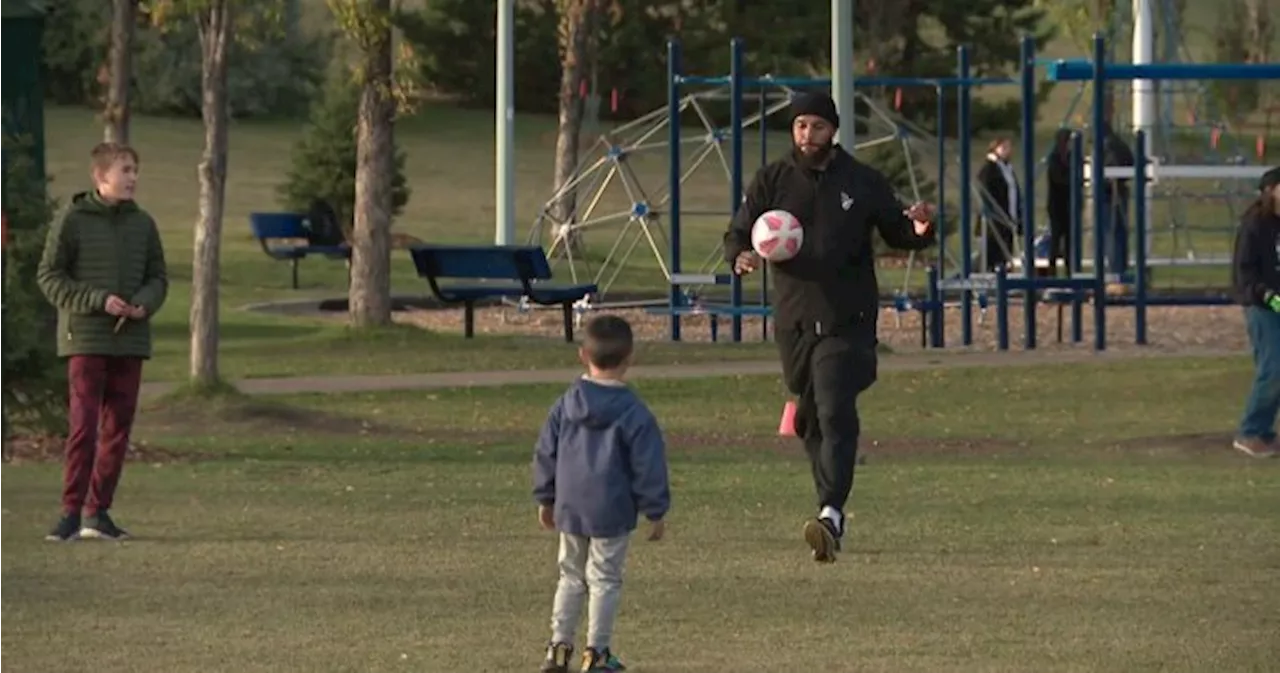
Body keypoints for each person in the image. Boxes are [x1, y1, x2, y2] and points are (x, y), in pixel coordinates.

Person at [721, 91, 936, 564]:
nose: (807, 135)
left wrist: (920, 228)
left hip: (847, 319)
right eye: (800, 126)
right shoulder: (773, 180)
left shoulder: (862, 181)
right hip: (794, 320)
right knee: (808, 417)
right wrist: (738, 255)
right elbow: (740, 231)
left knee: (835, 408)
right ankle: (828, 514)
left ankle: (831, 512)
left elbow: (898, 229)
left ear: (832, 130)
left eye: (816, 126)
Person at [36, 141, 169, 542]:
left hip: (130, 342)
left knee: (117, 431)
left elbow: (158, 277)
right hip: (86, 339)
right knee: (84, 428)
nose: (132, 178)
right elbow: (50, 276)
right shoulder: (73, 219)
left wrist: (143, 305)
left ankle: (99, 513)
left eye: (134, 170)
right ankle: (70, 514)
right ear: (100, 176)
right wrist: (97, 300)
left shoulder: (143, 223)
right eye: (125, 170)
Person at [532, 314, 670, 673]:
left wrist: (545, 498)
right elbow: (648, 464)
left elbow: (547, 452)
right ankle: (597, 652)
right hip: (611, 507)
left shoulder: (565, 404)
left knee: (570, 576)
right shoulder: (635, 413)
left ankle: (559, 646)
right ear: (629, 359)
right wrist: (655, 510)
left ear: (583, 356)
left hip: (571, 505)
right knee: (604, 578)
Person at [1229, 166, 1280, 459]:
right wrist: (1269, 296)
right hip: (1262, 306)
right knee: (1273, 368)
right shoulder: (1255, 225)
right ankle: (1250, 431)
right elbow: (1244, 272)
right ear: (1270, 191)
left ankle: (1264, 432)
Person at [976, 137, 1021, 271]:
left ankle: (1004, 279)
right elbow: (986, 193)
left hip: (1008, 219)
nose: (1008, 151)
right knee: (992, 255)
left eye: (1009, 147)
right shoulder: (989, 169)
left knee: (1006, 256)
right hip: (993, 222)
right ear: (995, 149)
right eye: (1003, 148)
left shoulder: (1008, 169)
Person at [1046, 128, 1075, 277]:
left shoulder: (1071, 157)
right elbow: (1059, 179)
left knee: (1070, 241)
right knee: (1056, 239)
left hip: (1070, 205)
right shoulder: (1055, 158)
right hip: (1057, 205)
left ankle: (1070, 271)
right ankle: (1052, 272)